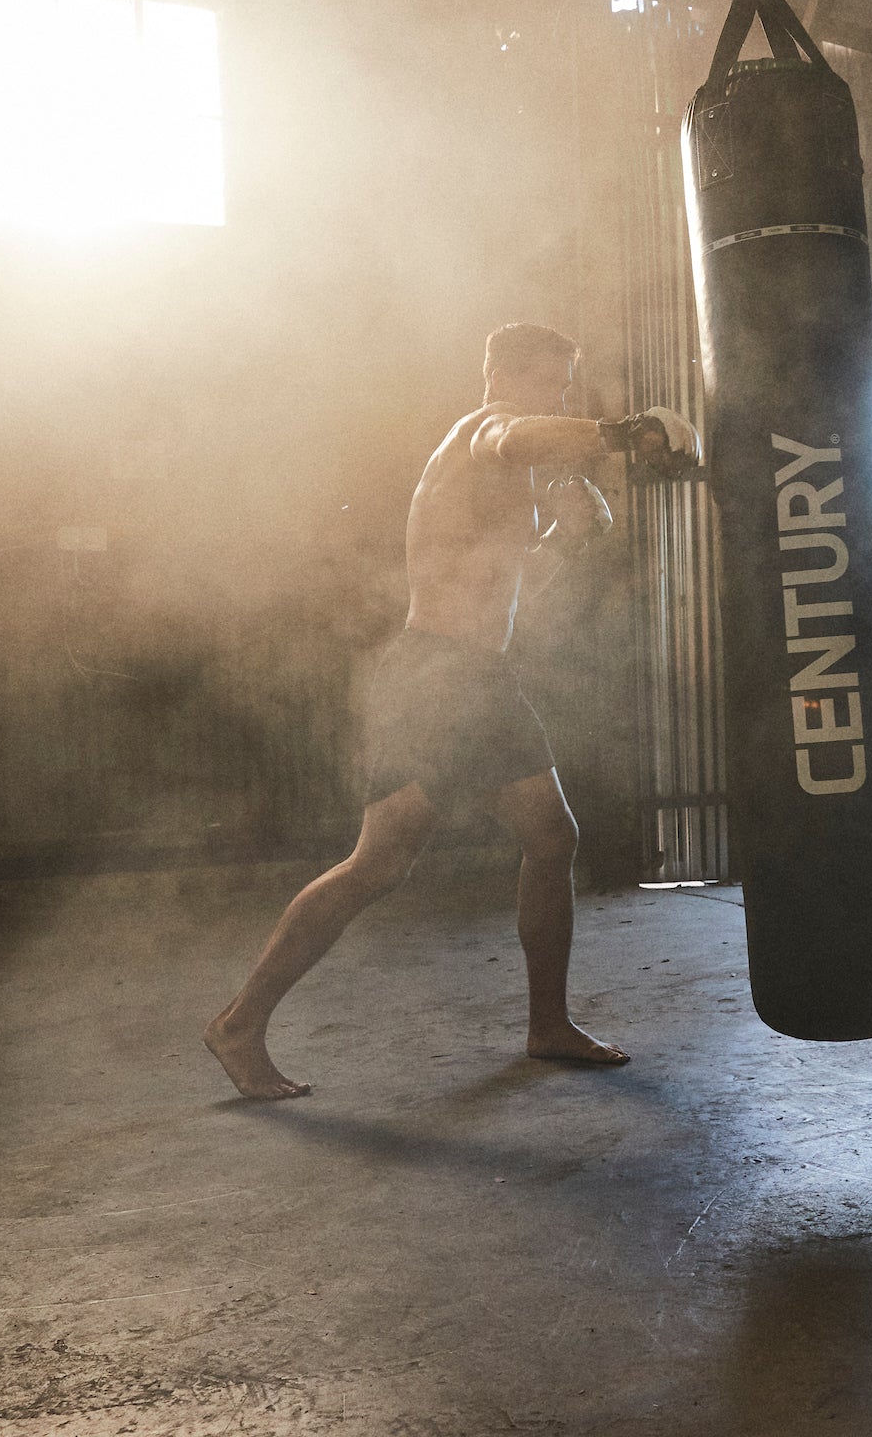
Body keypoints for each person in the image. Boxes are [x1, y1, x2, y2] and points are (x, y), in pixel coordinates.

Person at [205, 322, 702, 1099]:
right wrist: (618, 432)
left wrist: (564, 539)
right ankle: (239, 1024)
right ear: (504, 375)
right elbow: (511, 436)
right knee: (382, 865)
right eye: (550, 383)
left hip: (474, 677)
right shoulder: (484, 430)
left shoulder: (506, 481)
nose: (558, 400)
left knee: (545, 838)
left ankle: (548, 1025)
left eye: (565, 388)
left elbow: (503, 592)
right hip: (438, 678)